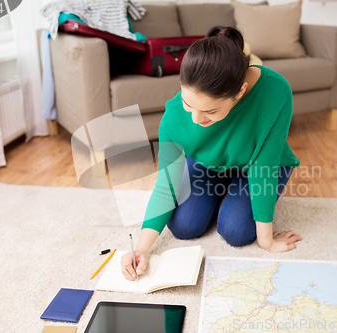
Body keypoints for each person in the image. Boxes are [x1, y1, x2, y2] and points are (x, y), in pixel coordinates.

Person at [121, 26, 302, 281]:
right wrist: (141, 248)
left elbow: (264, 168)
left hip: (257, 162)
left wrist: (267, 240)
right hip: (209, 162)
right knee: (184, 227)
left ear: (240, 92)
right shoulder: (174, 117)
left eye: (210, 112)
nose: (195, 119)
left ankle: (233, 196)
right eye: (188, 104)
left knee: (237, 231)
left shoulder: (275, 91)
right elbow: (166, 186)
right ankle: (223, 191)